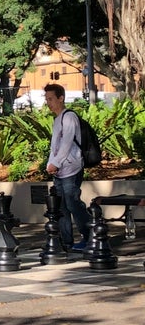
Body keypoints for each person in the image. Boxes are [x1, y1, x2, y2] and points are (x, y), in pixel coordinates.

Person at [44, 83, 91, 251]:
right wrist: (51, 164)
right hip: (59, 171)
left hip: (72, 169)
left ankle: (90, 236)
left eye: (50, 99)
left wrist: (55, 163)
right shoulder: (57, 120)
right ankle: (66, 241)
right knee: (61, 206)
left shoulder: (69, 117)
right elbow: (54, 146)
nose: (48, 102)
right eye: (46, 99)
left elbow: (66, 143)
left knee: (73, 203)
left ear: (61, 98)